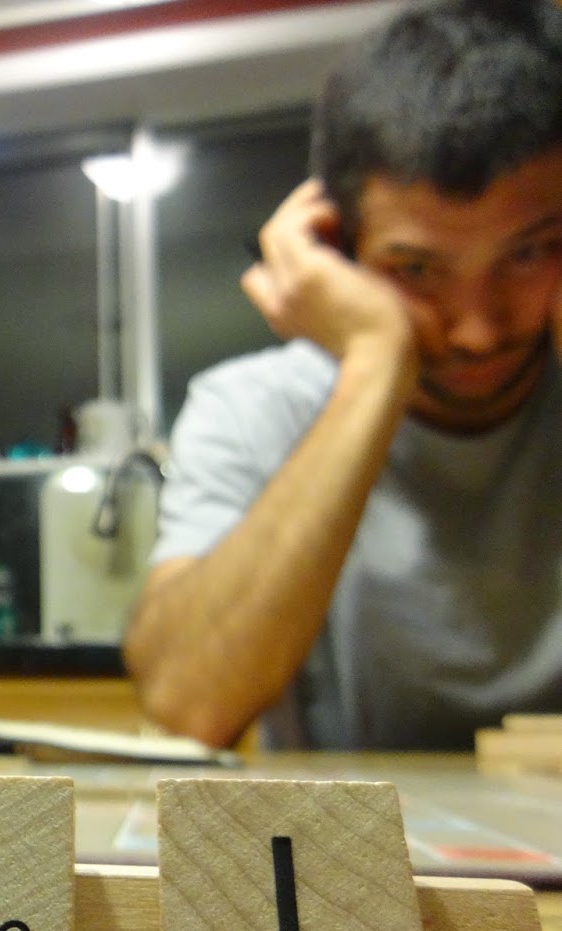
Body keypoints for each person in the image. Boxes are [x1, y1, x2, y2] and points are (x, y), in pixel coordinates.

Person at [123, 0, 562, 751]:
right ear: (336, 248)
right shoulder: (251, 406)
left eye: (528, 254)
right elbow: (188, 702)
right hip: (349, 832)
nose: (478, 328)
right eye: (415, 269)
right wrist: (375, 362)